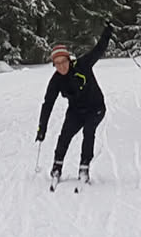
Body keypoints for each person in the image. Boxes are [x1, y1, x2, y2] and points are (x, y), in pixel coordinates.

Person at [36, 19, 112, 185]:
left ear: (68, 60)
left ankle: (84, 167)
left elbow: (98, 50)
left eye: (63, 62)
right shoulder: (56, 80)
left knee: (89, 131)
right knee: (65, 135)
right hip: (76, 110)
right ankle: (57, 166)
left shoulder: (82, 65)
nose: (61, 66)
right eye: (57, 64)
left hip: (96, 108)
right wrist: (42, 128)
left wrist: (107, 33)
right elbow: (47, 104)